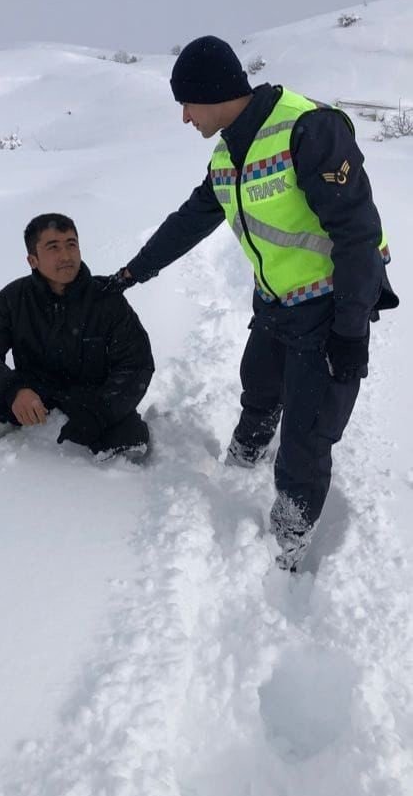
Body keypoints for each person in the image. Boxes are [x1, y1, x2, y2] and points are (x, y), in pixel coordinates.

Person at [104, 36, 398, 569]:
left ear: (213, 93)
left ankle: (289, 539)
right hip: (275, 299)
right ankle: (247, 451)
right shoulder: (227, 154)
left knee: (307, 434)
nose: (185, 117)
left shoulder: (309, 129)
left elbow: (357, 233)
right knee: (259, 385)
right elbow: (191, 220)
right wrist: (130, 273)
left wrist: (351, 330)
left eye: (187, 104)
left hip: (330, 303)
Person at [0, 213, 154, 461]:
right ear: (33, 260)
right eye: (53, 247)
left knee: (129, 439)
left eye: (71, 244)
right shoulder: (14, 299)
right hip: (35, 394)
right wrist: (14, 391)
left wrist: (100, 412)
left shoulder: (107, 300)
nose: (66, 256)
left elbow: (136, 364)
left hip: (91, 399)